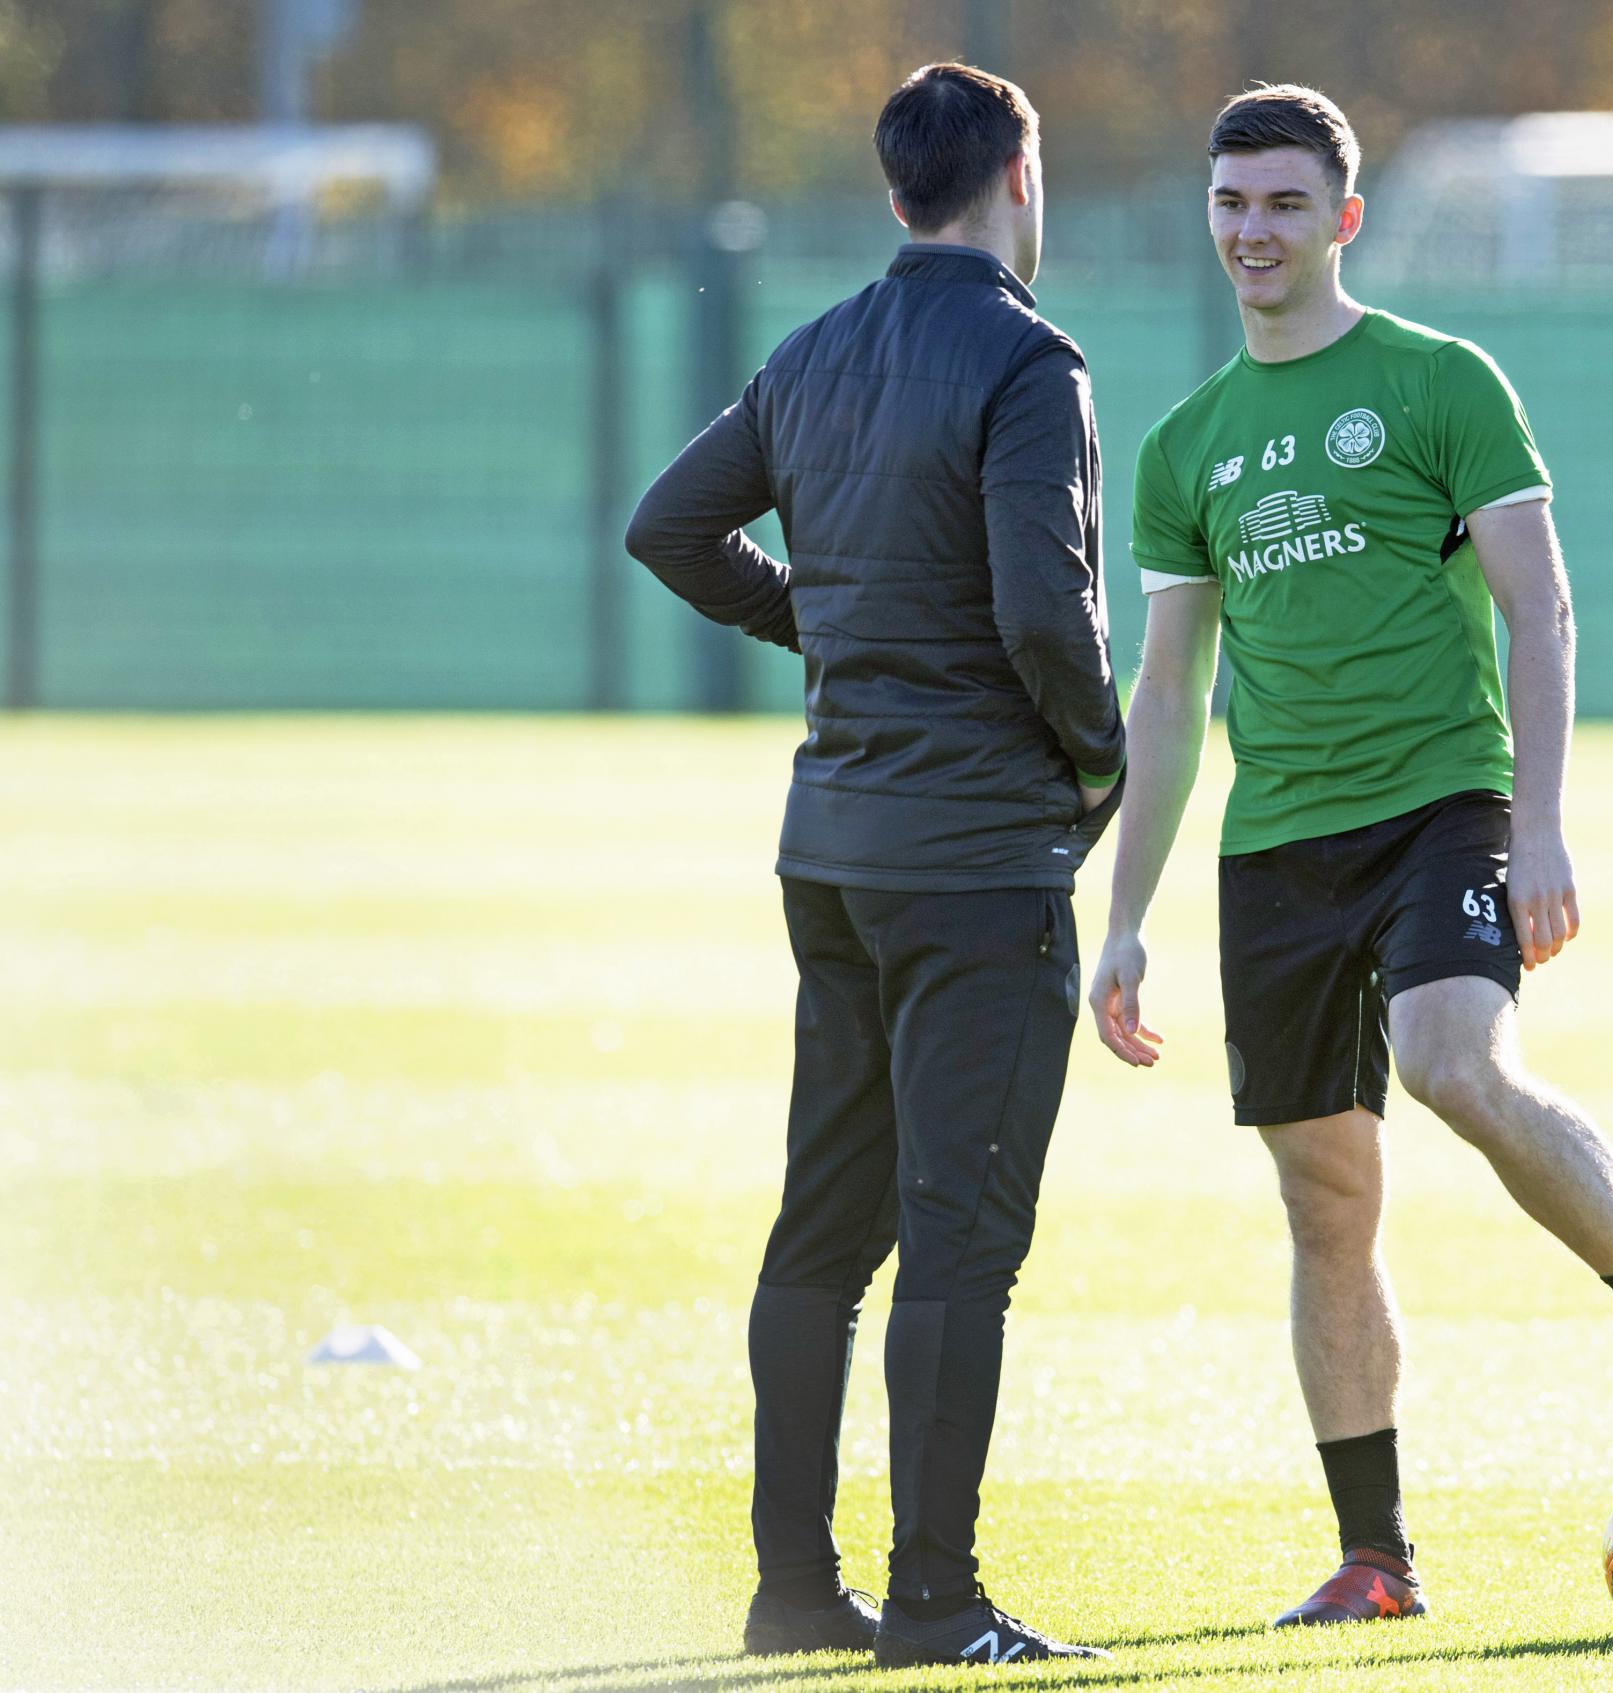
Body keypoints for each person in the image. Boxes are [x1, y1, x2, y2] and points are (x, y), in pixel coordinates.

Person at [1087, 84, 1613, 1629]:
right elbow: (1168, 692)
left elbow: (1544, 604)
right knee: (1325, 1199)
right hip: (1275, 853)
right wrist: (1121, 915)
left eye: (1282, 204)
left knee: (1454, 1061)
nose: (1252, 231)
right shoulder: (1186, 445)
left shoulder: (1438, 382)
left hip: (1441, 807)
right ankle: (1375, 1558)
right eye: (1229, 203)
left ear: (1341, 220)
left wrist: (1538, 821)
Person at [624, 62, 1120, 1669]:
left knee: (823, 1238)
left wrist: (818, 624)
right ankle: (933, 1603)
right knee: (959, 1235)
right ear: (1019, 178)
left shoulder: (815, 349)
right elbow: (1047, 616)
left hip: (829, 852)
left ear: (901, 186)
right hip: (976, 860)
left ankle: (791, 1593)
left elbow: (669, 528)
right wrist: (1102, 760)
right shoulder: (1030, 362)